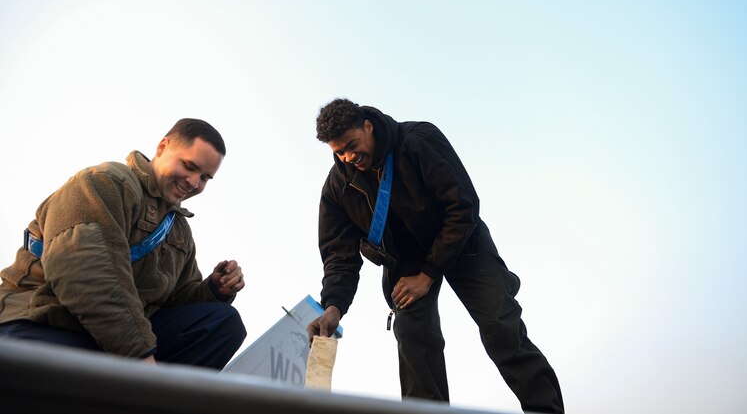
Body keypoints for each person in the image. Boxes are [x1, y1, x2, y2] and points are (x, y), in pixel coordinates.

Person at [307, 99, 564, 413]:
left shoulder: (419, 140)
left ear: (368, 127)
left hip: (461, 241)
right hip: (405, 261)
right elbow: (339, 255)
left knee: (500, 325)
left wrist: (429, 274)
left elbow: (463, 206)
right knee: (412, 335)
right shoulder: (338, 187)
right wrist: (333, 307)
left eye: (352, 145)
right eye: (339, 152)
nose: (349, 157)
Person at [0, 118, 247, 369]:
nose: (194, 182)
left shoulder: (180, 232)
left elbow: (176, 302)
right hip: (44, 322)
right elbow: (86, 274)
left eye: (205, 177)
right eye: (189, 166)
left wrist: (214, 290)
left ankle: (146, 391)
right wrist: (141, 361)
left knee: (223, 323)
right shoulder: (105, 182)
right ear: (162, 147)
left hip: (114, 344)